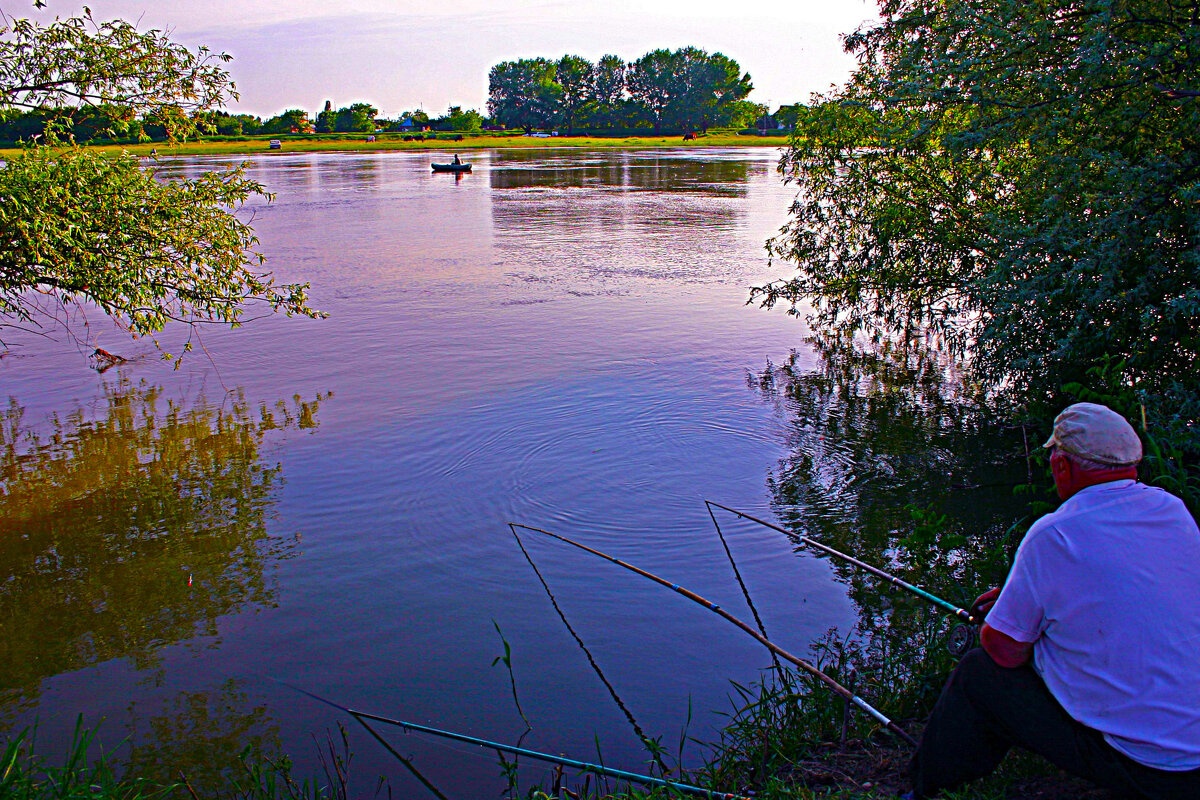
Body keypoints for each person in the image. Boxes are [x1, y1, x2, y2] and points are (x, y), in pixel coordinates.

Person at [909, 402, 1200, 799]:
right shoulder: (1172, 510)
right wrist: (1017, 600)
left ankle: (927, 788)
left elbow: (1004, 651)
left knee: (979, 672)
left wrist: (1003, 621)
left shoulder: (1054, 533)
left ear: (1062, 465)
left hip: (1151, 771)